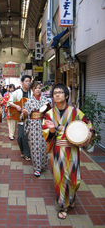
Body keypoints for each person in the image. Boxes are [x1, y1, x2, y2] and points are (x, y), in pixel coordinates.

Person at [42, 83, 94, 219]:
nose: (57, 95)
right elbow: (46, 133)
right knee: (60, 179)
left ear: (66, 96)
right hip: (58, 149)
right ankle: (62, 206)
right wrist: (52, 130)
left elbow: (88, 125)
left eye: (60, 92)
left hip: (73, 150)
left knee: (75, 180)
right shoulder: (48, 114)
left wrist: (86, 136)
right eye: (55, 93)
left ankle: (71, 198)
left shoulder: (76, 112)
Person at [24, 81, 49, 177]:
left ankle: (42, 164)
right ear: (32, 90)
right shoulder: (29, 101)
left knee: (43, 145)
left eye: (39, 88)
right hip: (33, 125)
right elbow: (24, 115)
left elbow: (49, 112)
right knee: (34, 146)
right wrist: (25, 114)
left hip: (43, 124)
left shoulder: (45, 100)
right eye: (35, 88)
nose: (38, 90)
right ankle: (37, 168)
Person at [7, 75, 32, 161]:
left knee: (28, 136)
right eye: (26, 81)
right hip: (20, 117)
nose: (28, 83)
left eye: (29, 81)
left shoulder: (32, 93)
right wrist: (16, 106)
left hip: (30, 118)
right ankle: (22, 151)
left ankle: (27, 154)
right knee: (20, 137)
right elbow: (9, 102)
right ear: (22, 82)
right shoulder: (16, 92)